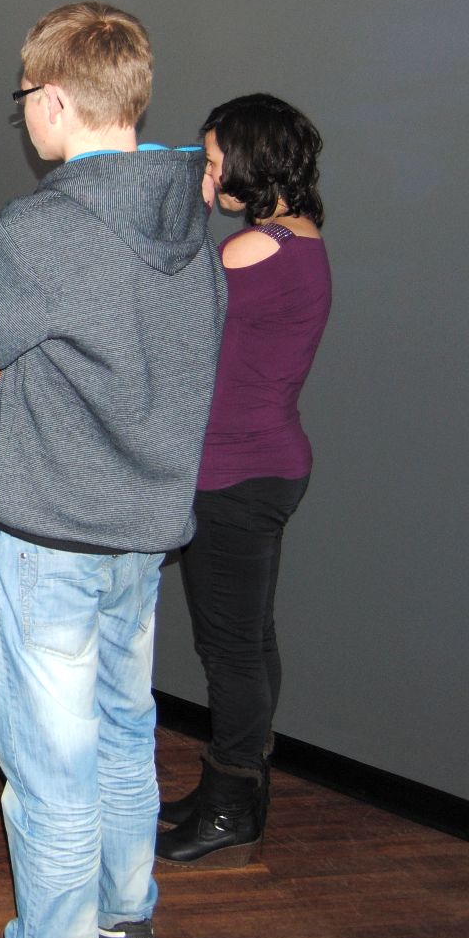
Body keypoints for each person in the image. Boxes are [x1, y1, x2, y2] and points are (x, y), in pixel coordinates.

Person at [0, 2, 225, 938]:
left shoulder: (46, 232)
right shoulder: (189, 216)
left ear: (51, 100)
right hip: (142, 535)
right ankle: (126, 922)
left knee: (51, 774)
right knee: (125, 735)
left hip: (50, 542)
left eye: (23, 100)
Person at [156, 93, 331, 867]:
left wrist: (187, 208)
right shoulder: (301, 239)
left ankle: (230, 808)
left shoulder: (251, 249)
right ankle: (233, 793)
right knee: (249, 642)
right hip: (264, 466)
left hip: (234, 474)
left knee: (230, 649)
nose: (207, 172)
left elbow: (168, 310)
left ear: (249, 160)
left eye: (213, 159)